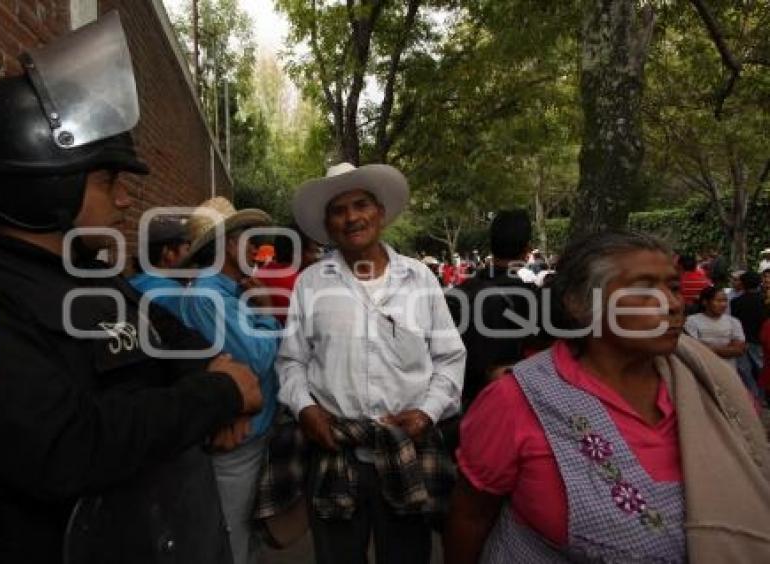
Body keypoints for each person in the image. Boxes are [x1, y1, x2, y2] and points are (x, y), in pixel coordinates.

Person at [0, 13, 262, 564]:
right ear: (46, 183)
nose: (124, 201)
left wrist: (214, 380)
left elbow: (174, 339)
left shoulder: (97, 278)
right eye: (107, 181)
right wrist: (218, 396)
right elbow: (64, 448)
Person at [445, 231, 770, 563]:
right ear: (580, 304)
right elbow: (471, 515)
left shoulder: (713, 388)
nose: (672, 304)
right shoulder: (516, 400)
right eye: (643, 290)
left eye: (673, 288)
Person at [277, 162, 466, 564]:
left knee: (407, 556)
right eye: (338, 210)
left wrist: (428, 413)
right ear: (328, 225)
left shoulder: (419, 279)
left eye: (360, 204)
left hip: (407, 451)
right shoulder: (311, 283)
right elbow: (291, 361)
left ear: (379, 212)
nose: (351, 218)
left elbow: (449, 358)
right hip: (336, 452)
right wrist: (306, 409)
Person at [180, 197, 281, 564]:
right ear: (228, 245)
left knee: (243, 532)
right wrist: (268, 312)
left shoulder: (230, 292)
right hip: (237, 442)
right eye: (249, 240)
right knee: (231, 536)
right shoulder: (209, 295)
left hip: (251, 435)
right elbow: (258, 357)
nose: (256, 249)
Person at [448, 209, 539, 409]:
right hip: (509, 402)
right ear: (527, 250)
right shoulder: (532, 297)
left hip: (459, 400)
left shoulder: (460, 292)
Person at [128, 214, 192, 317]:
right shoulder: (175, 294)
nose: (189, 255)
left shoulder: (128, 284)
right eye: (187, 249)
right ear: (168, 253)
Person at [685, 286, 746, 373]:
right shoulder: (691, 321)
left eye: (725, 301)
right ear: (705, 302)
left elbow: (739, 350)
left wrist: (707, 348)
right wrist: (727, 349)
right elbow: (693, 350)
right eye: (718, 301)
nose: (723, 304)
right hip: (703, 371)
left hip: (728, 371)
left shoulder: (733, 321)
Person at [730, 271, 766, 400]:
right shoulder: (764, 301)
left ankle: (753, 393)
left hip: (743, 339)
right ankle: (763, 395)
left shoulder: (736, 302)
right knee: (762, 367)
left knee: (744, 369)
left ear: (743, 284)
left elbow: (734, 322)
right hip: (759, 340)